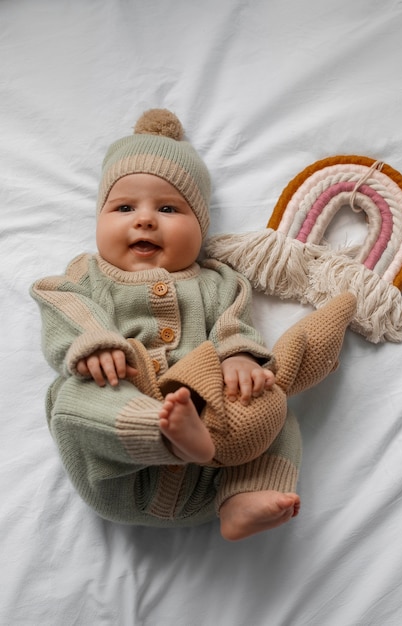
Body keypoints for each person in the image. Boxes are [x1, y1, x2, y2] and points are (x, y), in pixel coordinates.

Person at [31, 109, 356, 540]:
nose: (144, 219)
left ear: (201, 228)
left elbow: (233, 322)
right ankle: (162, 434)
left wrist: (238, 355)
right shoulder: (87, 275)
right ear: (98, 218)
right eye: (124, 206)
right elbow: (60, 300)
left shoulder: (218, 281)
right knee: (74, 398)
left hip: (212, 465)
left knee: (269, 402)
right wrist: (95, 341)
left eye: (168, 208)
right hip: (118, 465)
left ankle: (245, 497)